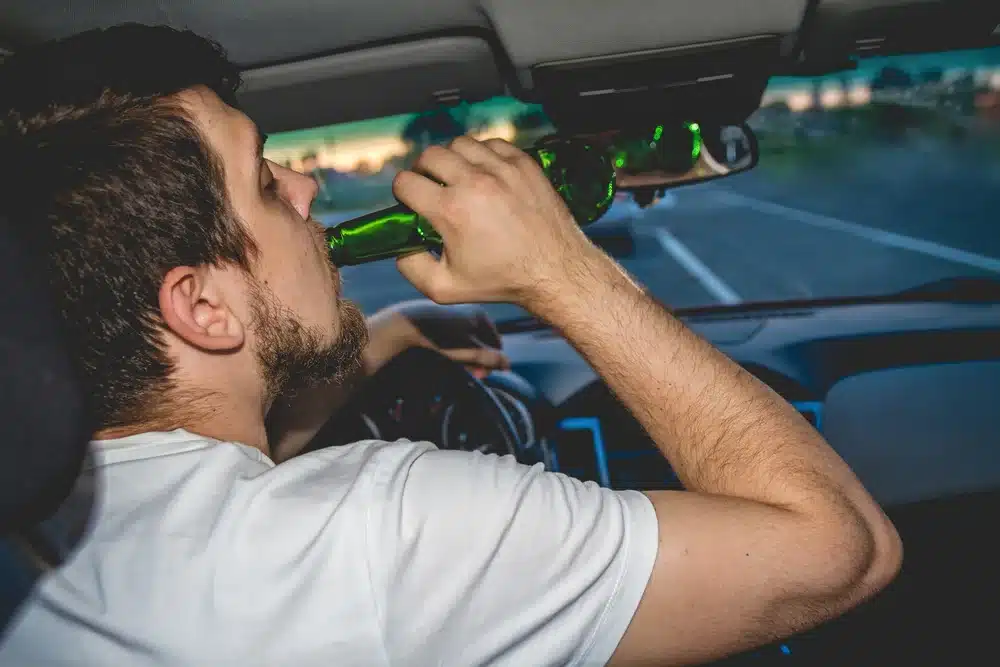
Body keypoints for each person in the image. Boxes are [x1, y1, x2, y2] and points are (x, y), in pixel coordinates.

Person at [0, 24, 901, 667]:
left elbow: (218, 457)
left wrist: (387, 336)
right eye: (264, 182)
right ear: (201, 305)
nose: (307, 183)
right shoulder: (379, 535)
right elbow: (844, 550)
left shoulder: (36, 520)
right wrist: (561, 272)